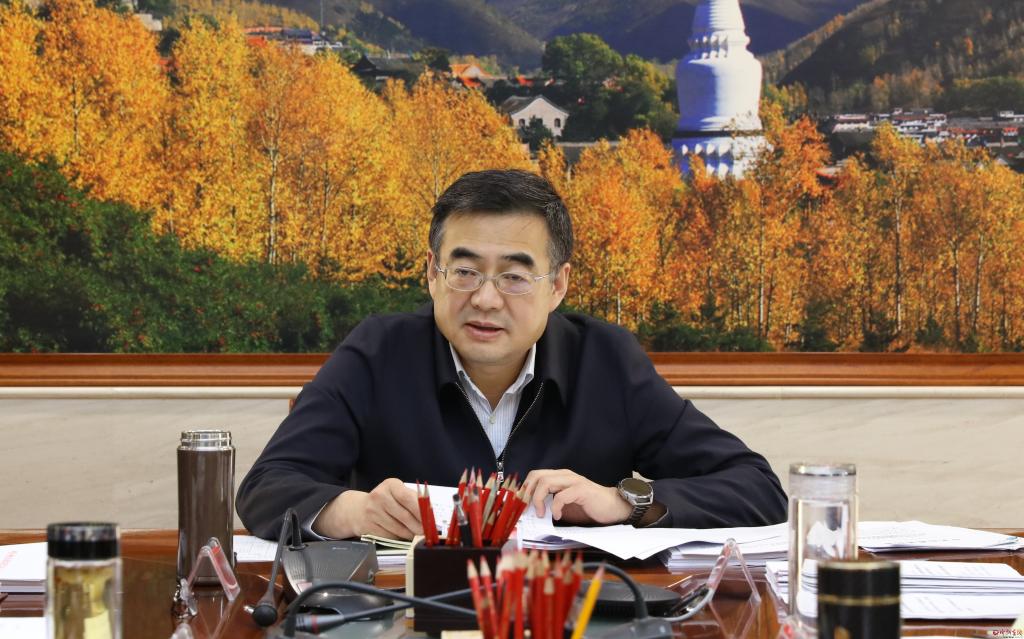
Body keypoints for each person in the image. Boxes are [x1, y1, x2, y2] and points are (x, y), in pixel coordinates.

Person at [237, 169, 786, 541]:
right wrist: (355, 511)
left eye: (515, 277)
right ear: (432, 274)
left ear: (558, 285)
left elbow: (757, 488)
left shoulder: (606, 361)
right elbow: (266, 486)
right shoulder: (377, 352)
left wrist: (623, 501)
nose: (485, 298)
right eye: (465, 270)